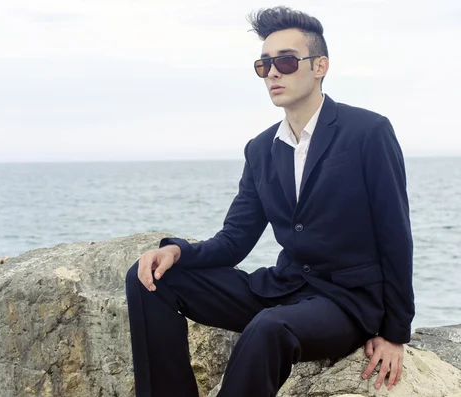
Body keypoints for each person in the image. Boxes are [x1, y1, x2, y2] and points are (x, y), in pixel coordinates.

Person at [125, 6, 414, 397]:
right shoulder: (261, 149)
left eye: (286, 61)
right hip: (285, 288)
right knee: (151, 280)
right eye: (264, 65)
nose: (273, 72)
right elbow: (235, 239)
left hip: (348, 304)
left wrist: (394, 334)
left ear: (320, 66)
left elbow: (396, 235)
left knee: (268, 328)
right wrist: (177, 251)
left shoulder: (368, 132)